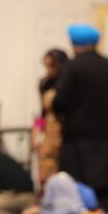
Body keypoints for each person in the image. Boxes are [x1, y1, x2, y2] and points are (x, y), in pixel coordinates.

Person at [52, 25, 108, 209]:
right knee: (101, 196)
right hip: (104, 143)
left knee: (74, 193)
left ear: (74, 43)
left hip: (75, 144)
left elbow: (59, 103)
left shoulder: (73, 67)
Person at [34, 49, 69, 189]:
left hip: (63, 132)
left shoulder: (67, 85)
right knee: (45, 173)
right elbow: (42, 112)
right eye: (47, 66)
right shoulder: (44, 83)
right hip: (48, 132)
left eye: (52, 66)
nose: (49, 70)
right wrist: (37, 131)